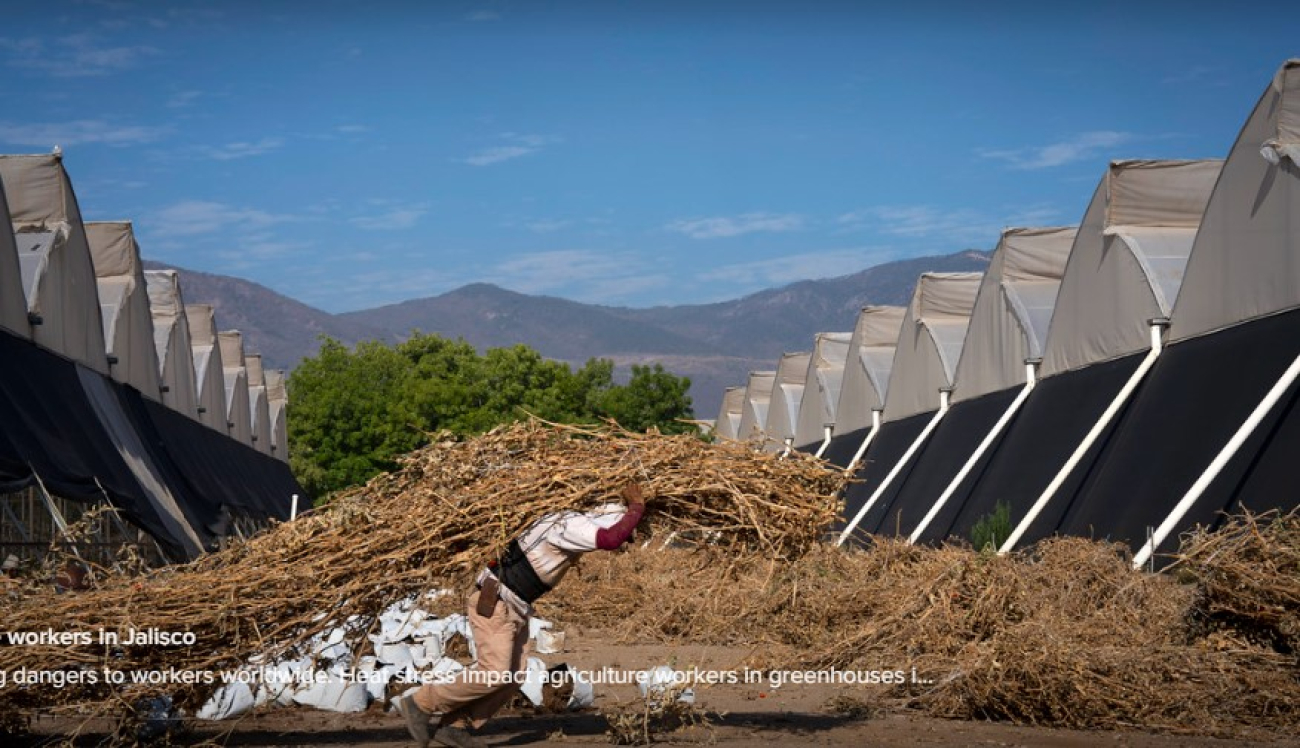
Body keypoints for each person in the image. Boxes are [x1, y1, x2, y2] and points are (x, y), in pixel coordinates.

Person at [397, 483, 647, 748]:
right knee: (495, 672)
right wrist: (637, 506)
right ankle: (421, 703)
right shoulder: (567, 523)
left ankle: (456, 725)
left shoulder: (565, 521)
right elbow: (610, 538)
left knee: (515, 674)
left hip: (514, 605)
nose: (627, 538)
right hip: (496, 601)